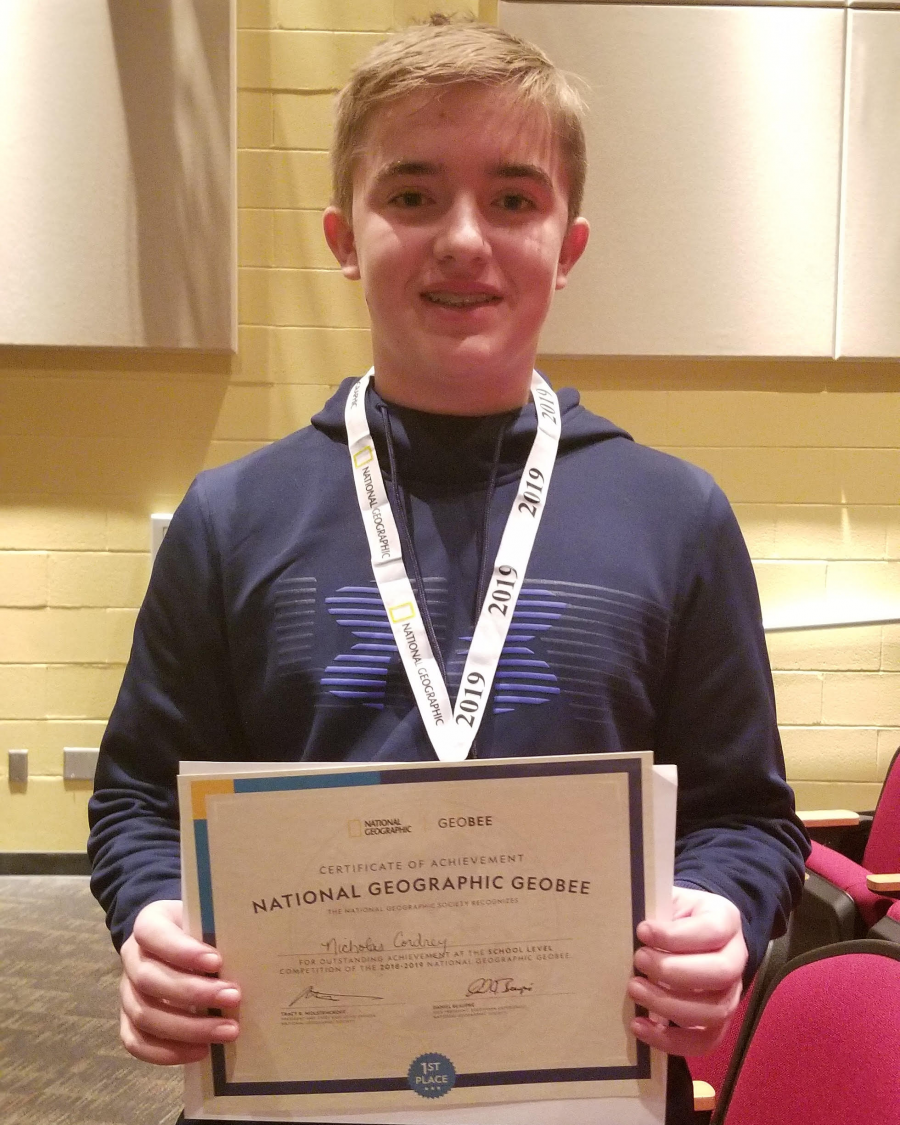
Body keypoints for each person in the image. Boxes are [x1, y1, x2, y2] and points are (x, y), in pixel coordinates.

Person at [88, 16, 809, 1124]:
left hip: (586, 1094)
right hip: (292, 1092)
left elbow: (746, 815)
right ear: (343, 234)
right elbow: (138, 795)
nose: (464, 239)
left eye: (514, 200)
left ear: (568, 247)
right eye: (412, 196)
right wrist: (150, 920)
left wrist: (723, 912)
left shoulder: (676, 515)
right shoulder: (232, 518)